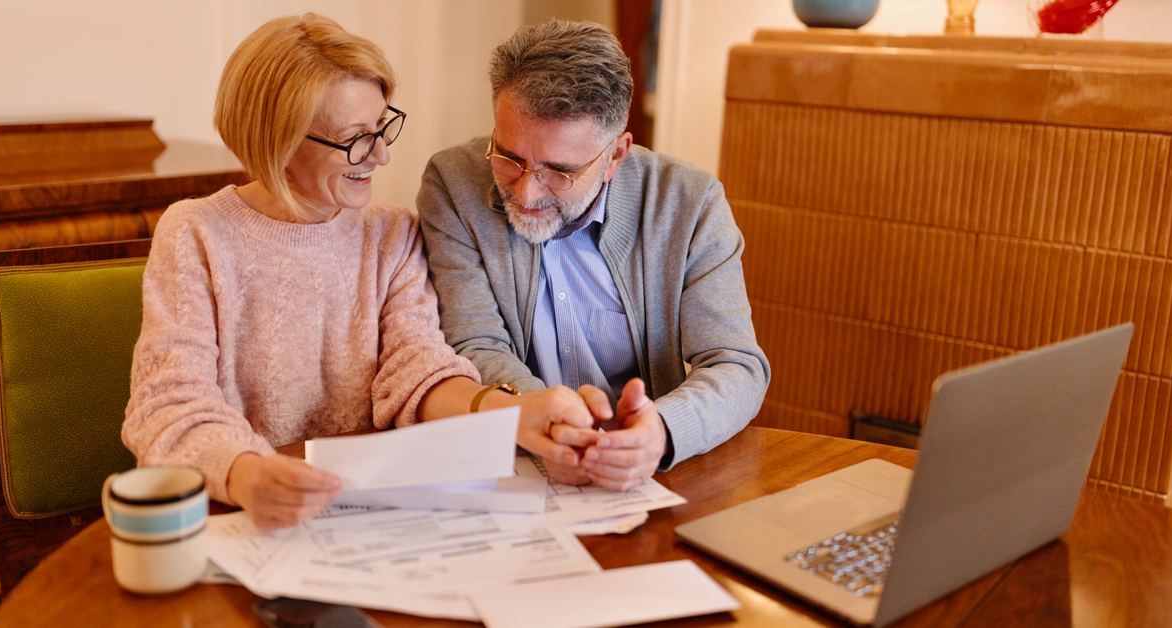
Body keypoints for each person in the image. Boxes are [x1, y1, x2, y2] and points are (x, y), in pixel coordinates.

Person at [122, 14, 589, 530]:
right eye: (357, 139)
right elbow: (168, 406)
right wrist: (245, 472)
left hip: (363, 518)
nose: (382, 155)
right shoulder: (196, 233)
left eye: (382, 127)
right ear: (281, 141)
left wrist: (508, 411)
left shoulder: (391, 233)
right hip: (241, 516)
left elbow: (417, 371)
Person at [416, 20, 770, 492]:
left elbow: (737, 366)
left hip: (647, 479)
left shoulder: (690, 203)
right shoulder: (453, 184)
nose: (525, 191)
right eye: (509, 156)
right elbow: (475, 345)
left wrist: (663, 431)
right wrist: (550, 426)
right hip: (515, 469)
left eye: (558, 171)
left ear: (616, 155)